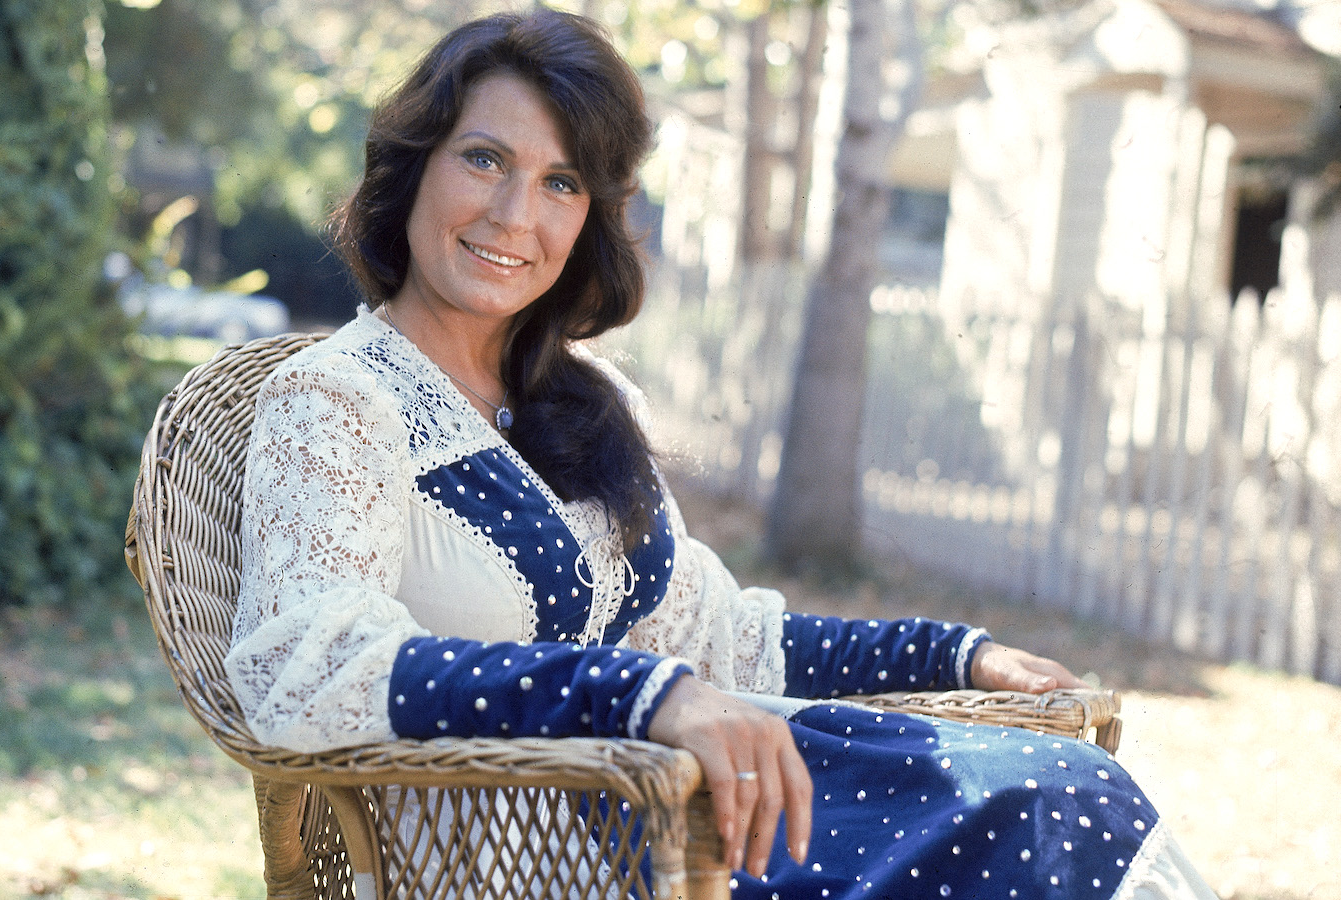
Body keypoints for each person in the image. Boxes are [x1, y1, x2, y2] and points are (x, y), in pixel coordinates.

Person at [226, 10, 1216, 899]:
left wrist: (949, 651)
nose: (514, 216)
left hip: (696, 828)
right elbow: (310, 670)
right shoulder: (338, 401)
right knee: (1037, 819)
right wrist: (644, 696)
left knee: (1060, 787)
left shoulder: (585, 406)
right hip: (542, 863)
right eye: (484, 159)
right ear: (412, 165)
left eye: (560, 181)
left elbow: (723, 639)